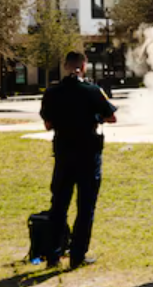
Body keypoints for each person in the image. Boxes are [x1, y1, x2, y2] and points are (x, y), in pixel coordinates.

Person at [40, 51, 117, 269]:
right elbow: (111, 116)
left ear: (65, 66)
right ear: (83, 66)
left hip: (64, 155)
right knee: (85, 208)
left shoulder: (52, 92)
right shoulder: (93, 91)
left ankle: (53, 256)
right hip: (88, 156)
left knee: (59, 206)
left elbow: (47, 124)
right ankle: (77, 256)